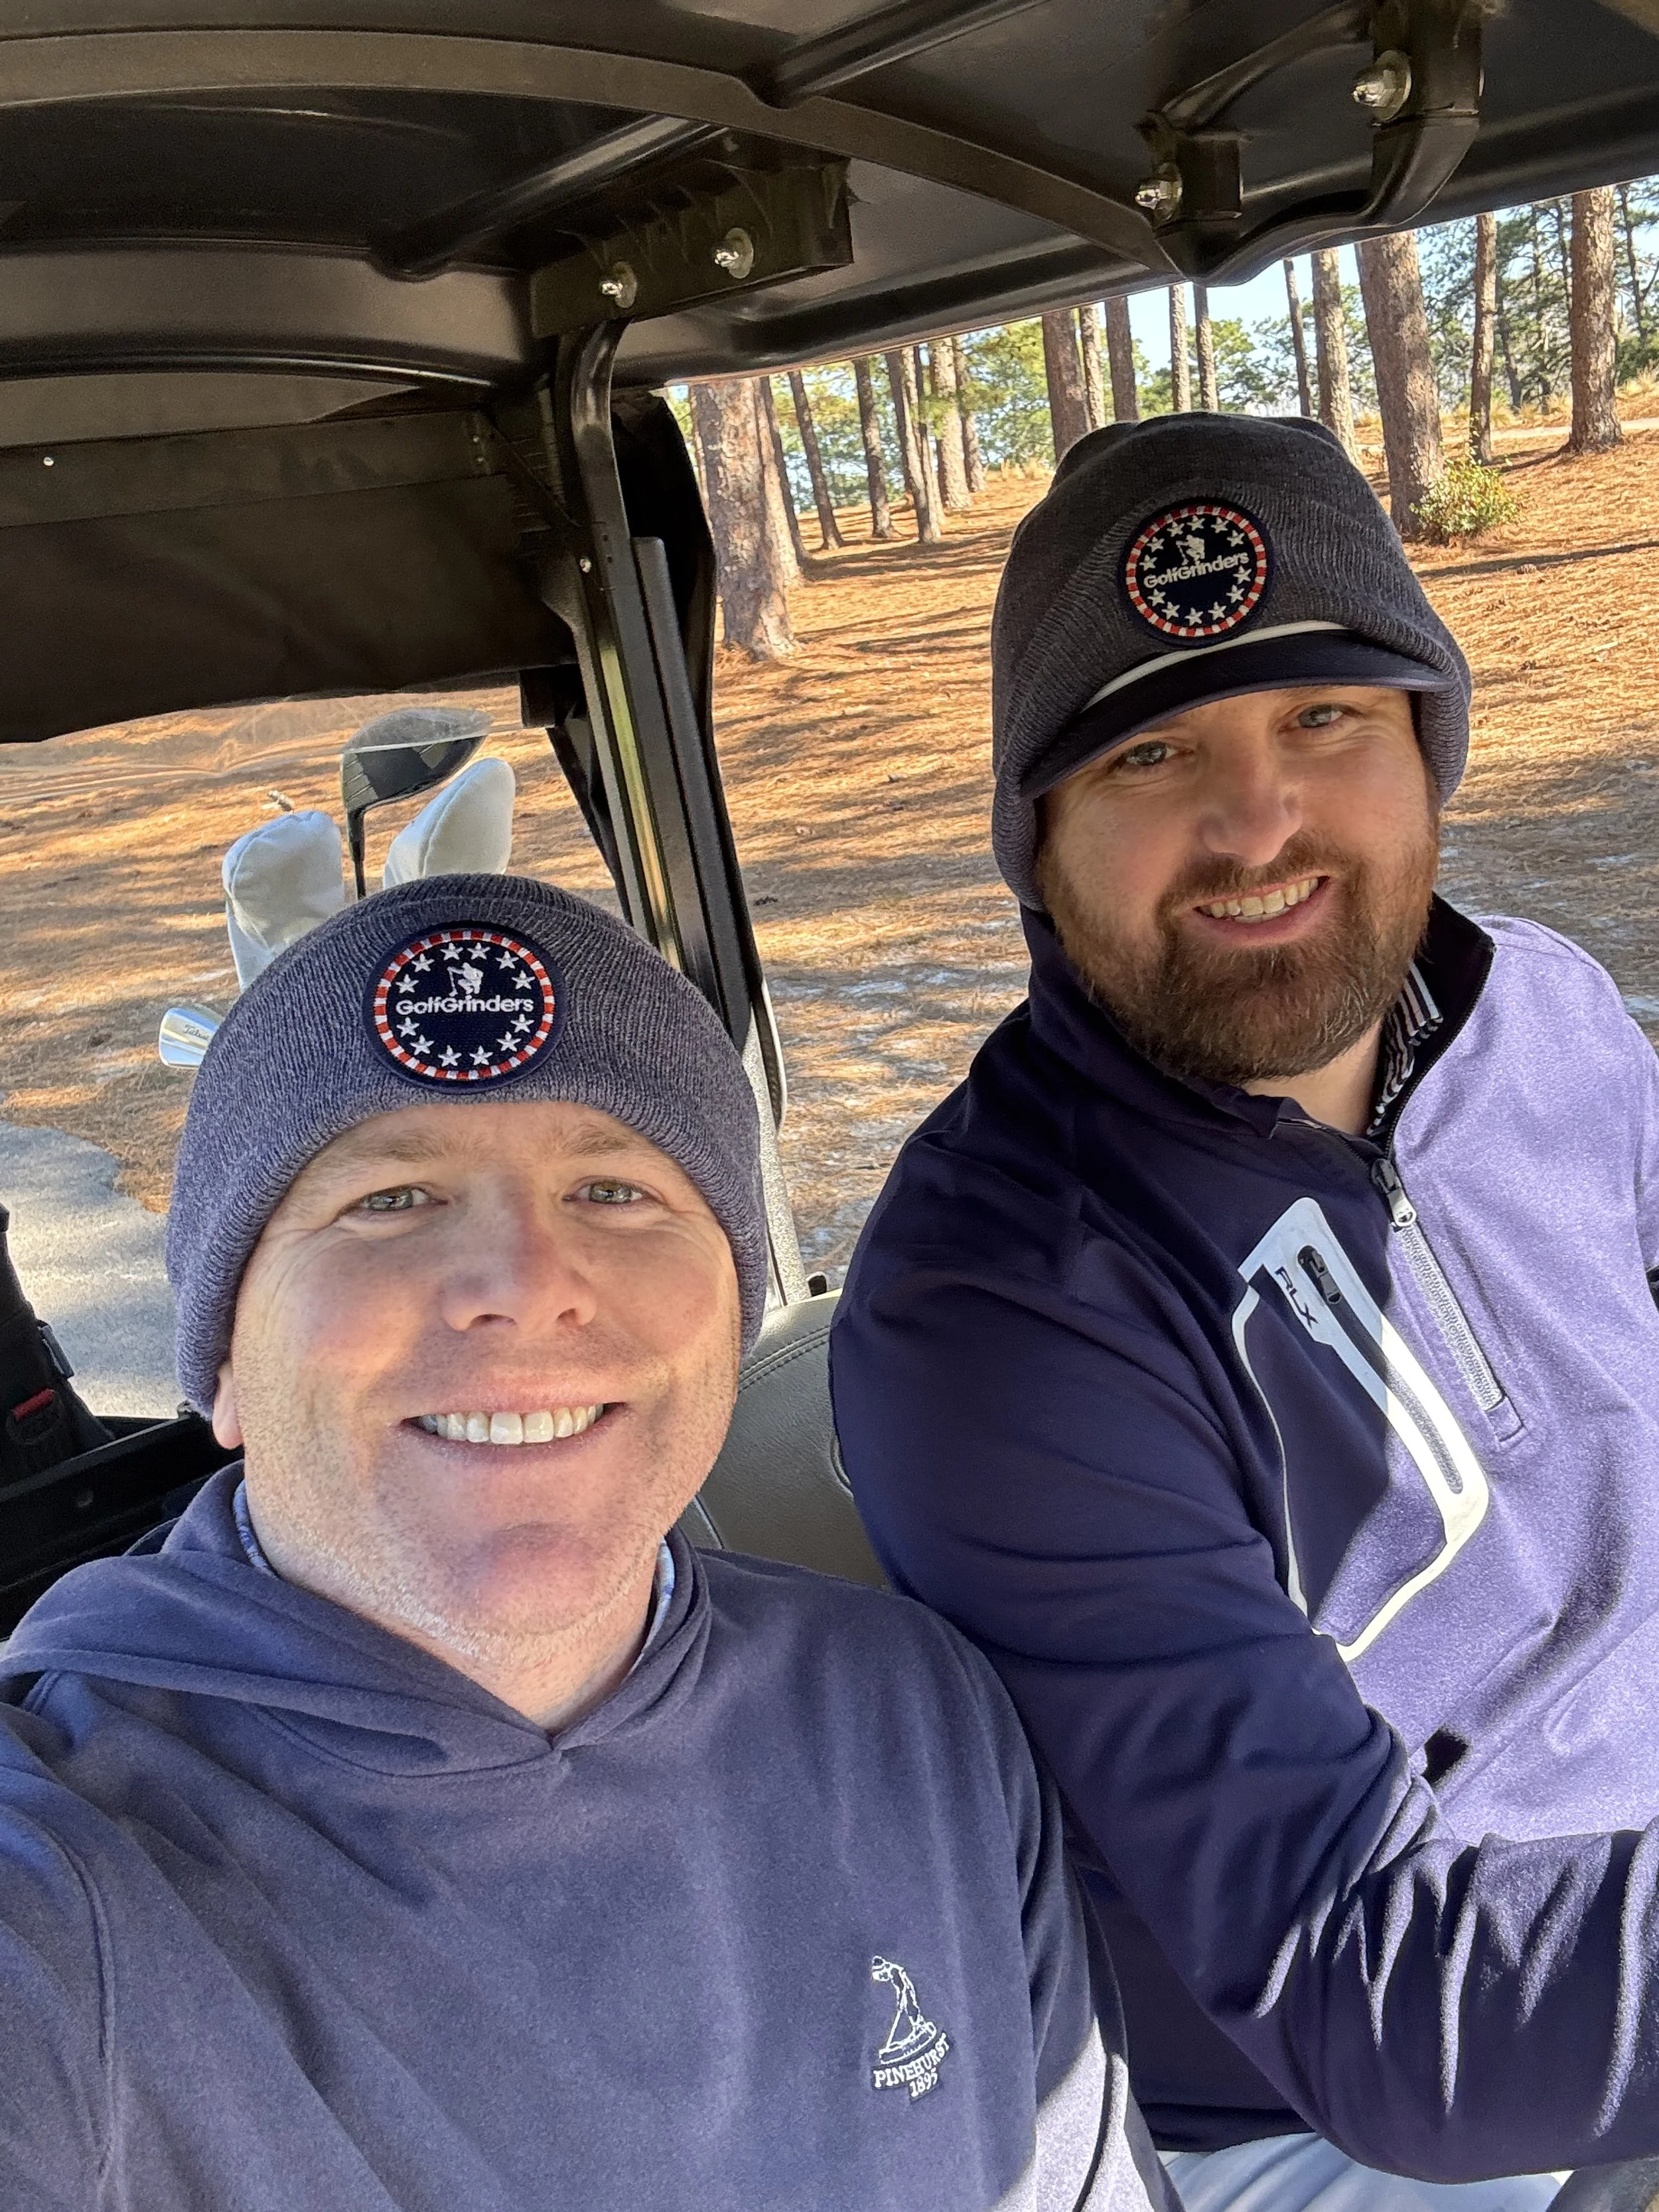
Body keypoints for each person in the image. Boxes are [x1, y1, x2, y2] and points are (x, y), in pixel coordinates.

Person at [0, 872, 1173, 2212]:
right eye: (390, 1199)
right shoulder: (67, 1895)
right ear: (222, 1359)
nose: (524, 1284)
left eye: (614, 1189)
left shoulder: (908, 1707)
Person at [831, 414, 1659, 2212]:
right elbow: (1383, 2001)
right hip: (1339, 2102)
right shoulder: (997, 1306)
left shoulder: (1553, 1017)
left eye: (1323, 719)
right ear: (1036, 838)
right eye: (1151, 746)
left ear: (1424, 746)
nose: (1255, 820)